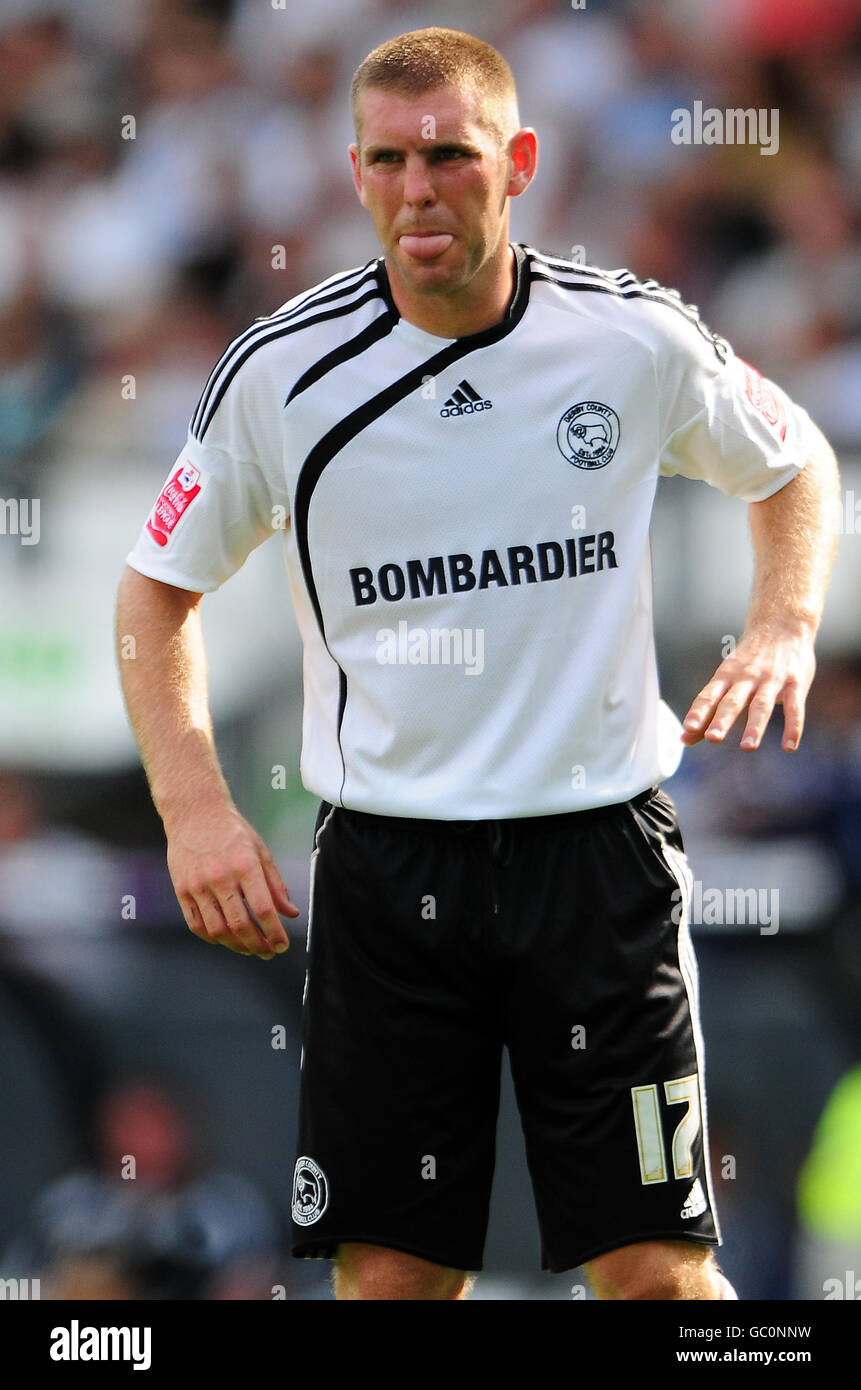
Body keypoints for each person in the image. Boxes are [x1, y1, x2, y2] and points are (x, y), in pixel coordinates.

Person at [116, 27, 841, 1300]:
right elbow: (152, 591)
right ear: (353, 172)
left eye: (448, 156)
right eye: (388, 160)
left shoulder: (632, 339)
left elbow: (794, 469)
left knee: (658, 1274)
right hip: (392, 875)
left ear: (518, 162)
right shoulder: (284, 377)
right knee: (394, 1279)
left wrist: (783, 624)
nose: (417, 191)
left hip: (599, 860)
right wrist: (193, 806)